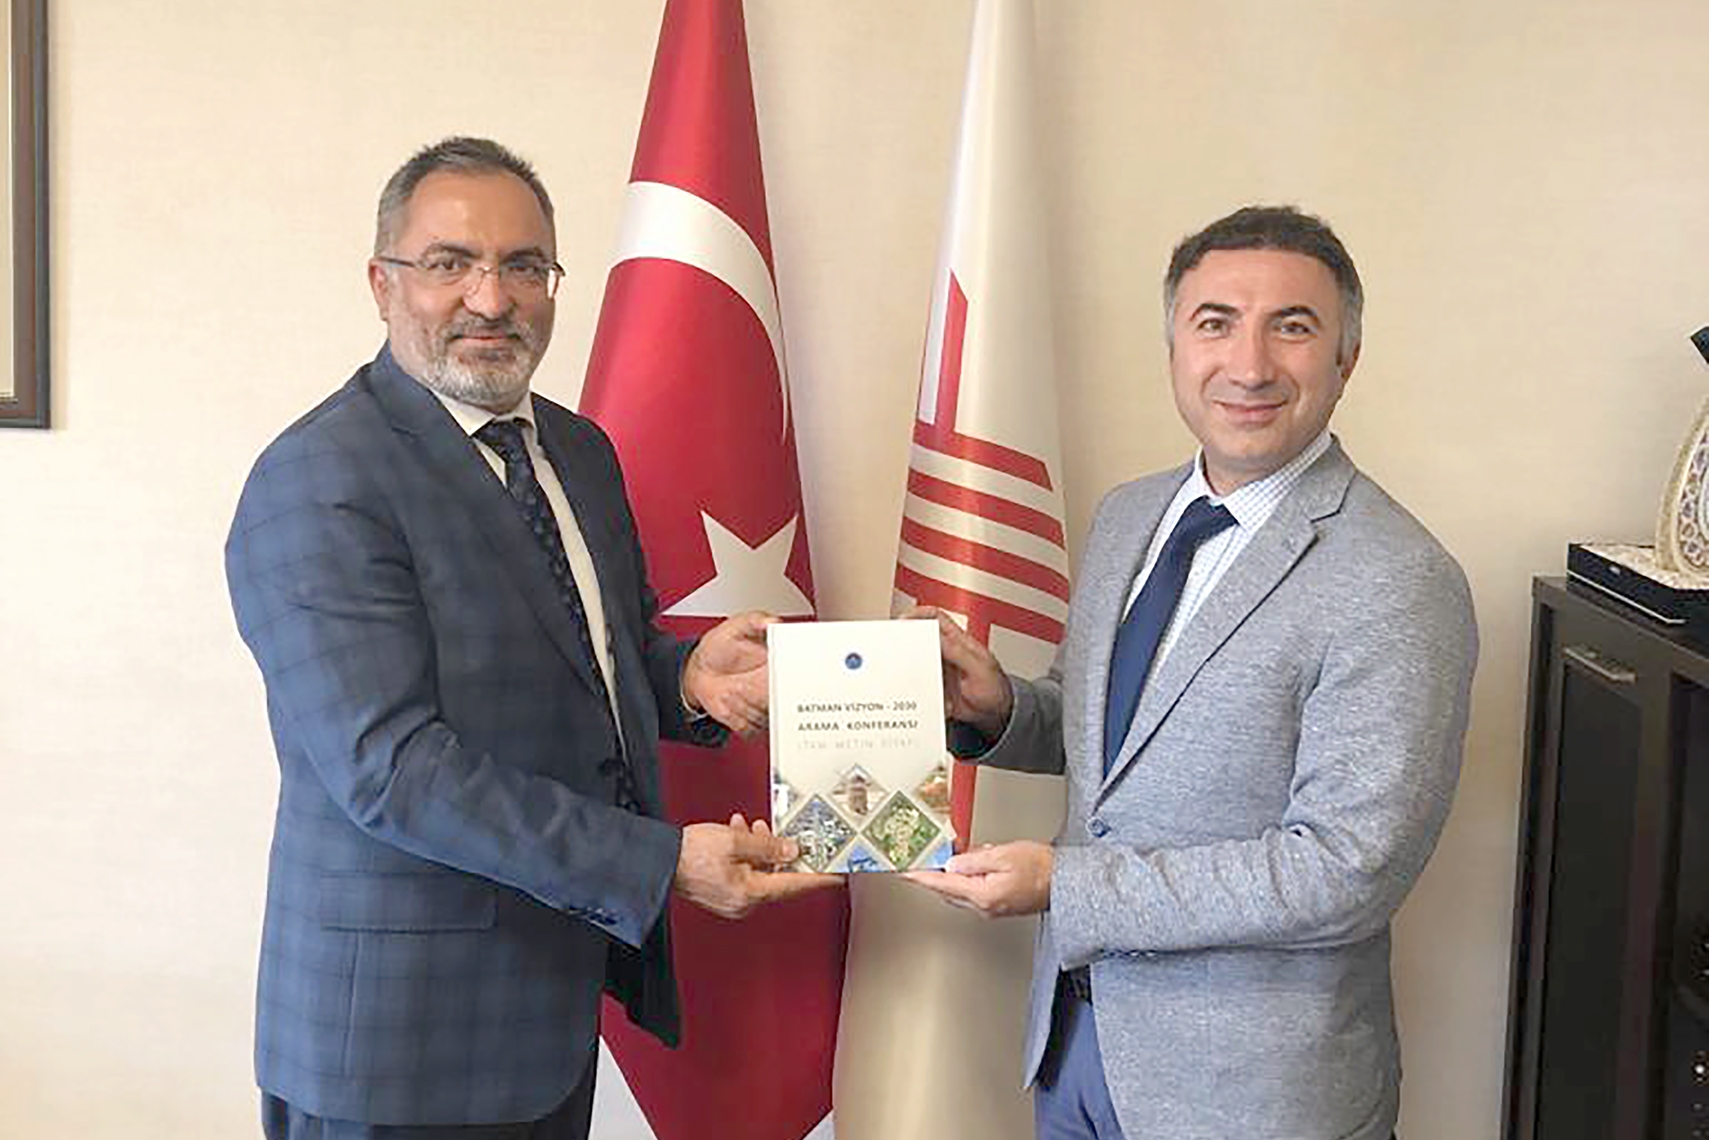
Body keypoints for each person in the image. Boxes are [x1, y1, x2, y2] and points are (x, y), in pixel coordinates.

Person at [225, 136, 814, 1140]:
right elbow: (392, 768)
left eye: (524, 265)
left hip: (544, 1014)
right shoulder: (321, 479)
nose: (491, 299)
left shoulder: (577, 452)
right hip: (395, 1047)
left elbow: (588, 659)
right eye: (449, 263)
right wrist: (659, 862)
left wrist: (687, 680)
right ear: (382, 283)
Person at [905, 205, 1478, 1140]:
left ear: (1346, 358)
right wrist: (1000, 708)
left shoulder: (1397, 579)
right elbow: (1115, 746)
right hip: (1075, 1049)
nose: (1248, 366)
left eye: (1291, 327)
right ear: (1174, 345)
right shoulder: (1129, 516)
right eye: (1215, 323)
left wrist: (1067, 887)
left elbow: (1345, 870)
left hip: (1247, 1096)